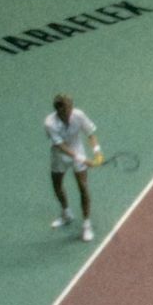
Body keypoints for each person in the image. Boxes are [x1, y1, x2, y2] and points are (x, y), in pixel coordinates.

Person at [45, 91, 102, 241]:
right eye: (68, 107)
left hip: (77, 151)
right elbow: (60, 146)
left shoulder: (79, 115)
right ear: (59, 109)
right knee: (57, 186)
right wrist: (83, 159)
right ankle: (66, 213)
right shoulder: (49, 123)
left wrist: (97, 152)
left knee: (83, 187)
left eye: (71, 106)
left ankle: (86, 225)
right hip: (59, 155)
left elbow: (91, 133)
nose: (71, 110)